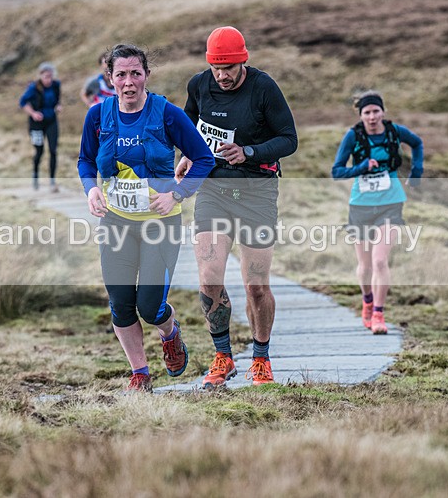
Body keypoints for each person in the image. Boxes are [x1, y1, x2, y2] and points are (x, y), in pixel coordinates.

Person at [77, 44, 215, 392]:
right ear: (109, 78)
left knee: (150, 306)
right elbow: (85, 161)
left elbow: (203, 159)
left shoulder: (166, 113)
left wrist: (177, 194)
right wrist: (91, 190)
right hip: (117, 222)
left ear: (146, 76)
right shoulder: (98, 115)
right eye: (120, 74)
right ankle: (140, 373)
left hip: (160, 224)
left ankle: (169, 333)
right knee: (121, 305)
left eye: (135, 73)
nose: (128, 82)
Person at [175, 26, 298, 388]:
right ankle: (223, 356)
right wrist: (186, 156)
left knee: (255, 285)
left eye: (229, 69)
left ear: (243, 61)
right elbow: (189, 127)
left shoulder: (263, 88)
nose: (222, 76)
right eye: (216, 68)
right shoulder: (199, 85)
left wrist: (250, 152)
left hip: (257, 191)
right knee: (209, 277)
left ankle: (260, 358)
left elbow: (289, 139)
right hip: (214, 188)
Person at [331, 90, 424, 334]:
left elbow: (417, 143)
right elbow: (337, 171)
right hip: (360, 205)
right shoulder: (353, 136)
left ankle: (379, 315)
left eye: (375, 111)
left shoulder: (395, 132)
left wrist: (417, 171)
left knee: (380, 260)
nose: (372, 117)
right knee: (364, 266)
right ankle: (368, 301)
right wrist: (361, 167)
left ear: (382, 112)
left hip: (391, 203)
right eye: (367, 113)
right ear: (361, 115)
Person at [19, 62, 63, 192]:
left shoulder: (56, 85)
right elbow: (22, 102)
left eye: (50, 76)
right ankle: (35, 175)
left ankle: (52, 180)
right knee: (39, 151)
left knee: (53, 150)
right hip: (36, 124)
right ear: (40, 76)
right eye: (45, 77)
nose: (48, 79)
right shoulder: (33, 88)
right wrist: (33, 113)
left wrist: (59, 106)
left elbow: (58, 99)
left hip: (51, 121)